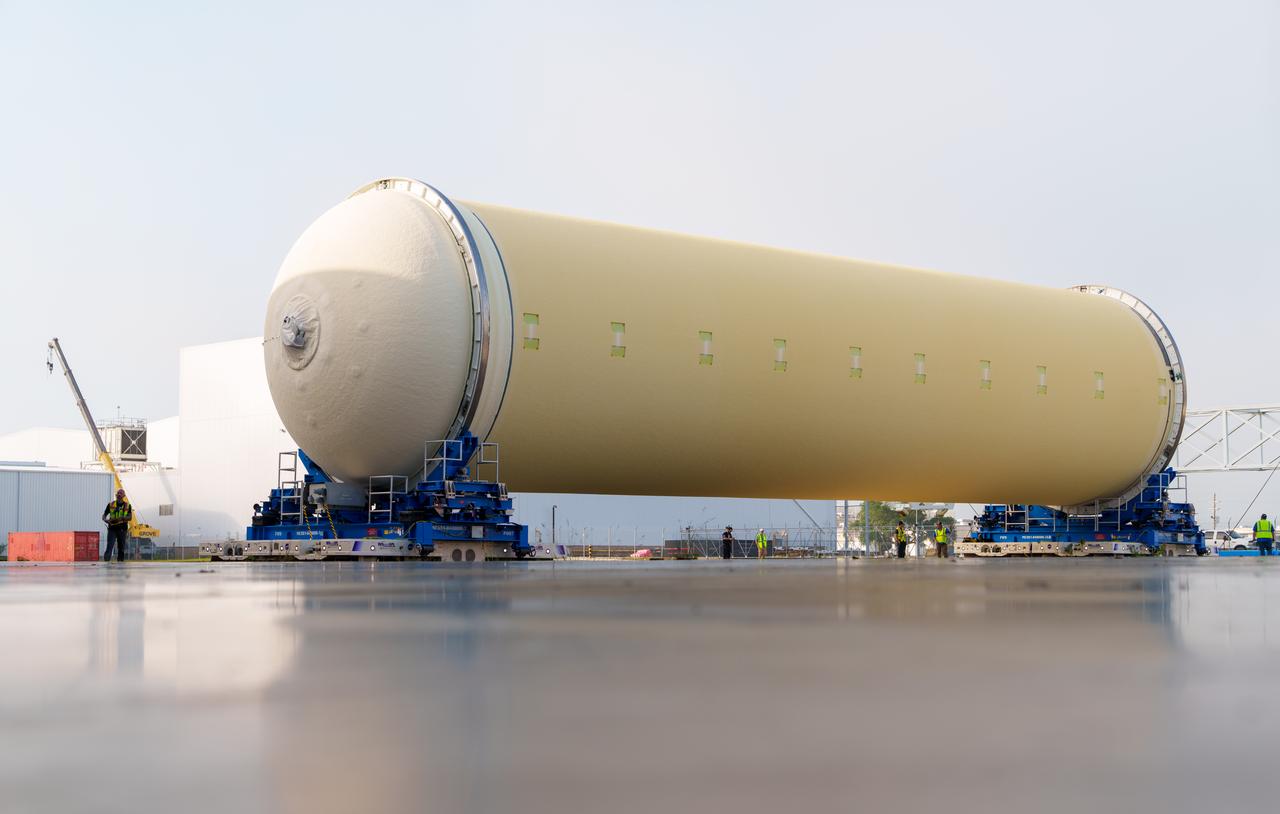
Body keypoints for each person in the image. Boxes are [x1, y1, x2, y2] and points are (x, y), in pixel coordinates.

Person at [101, 488, 131, 562]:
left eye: (121, 494)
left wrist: (122, 518)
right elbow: (104, 515)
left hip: (122, 530)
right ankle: (106, 562)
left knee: (121, 547)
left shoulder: (127, 506)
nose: (119, 495)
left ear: (124, 495)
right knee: (109, 546)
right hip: (112, 529)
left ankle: (120, 563)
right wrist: (105, 519)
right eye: (118, 493)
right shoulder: (111, 504)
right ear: (116, 495)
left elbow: (130, 517)